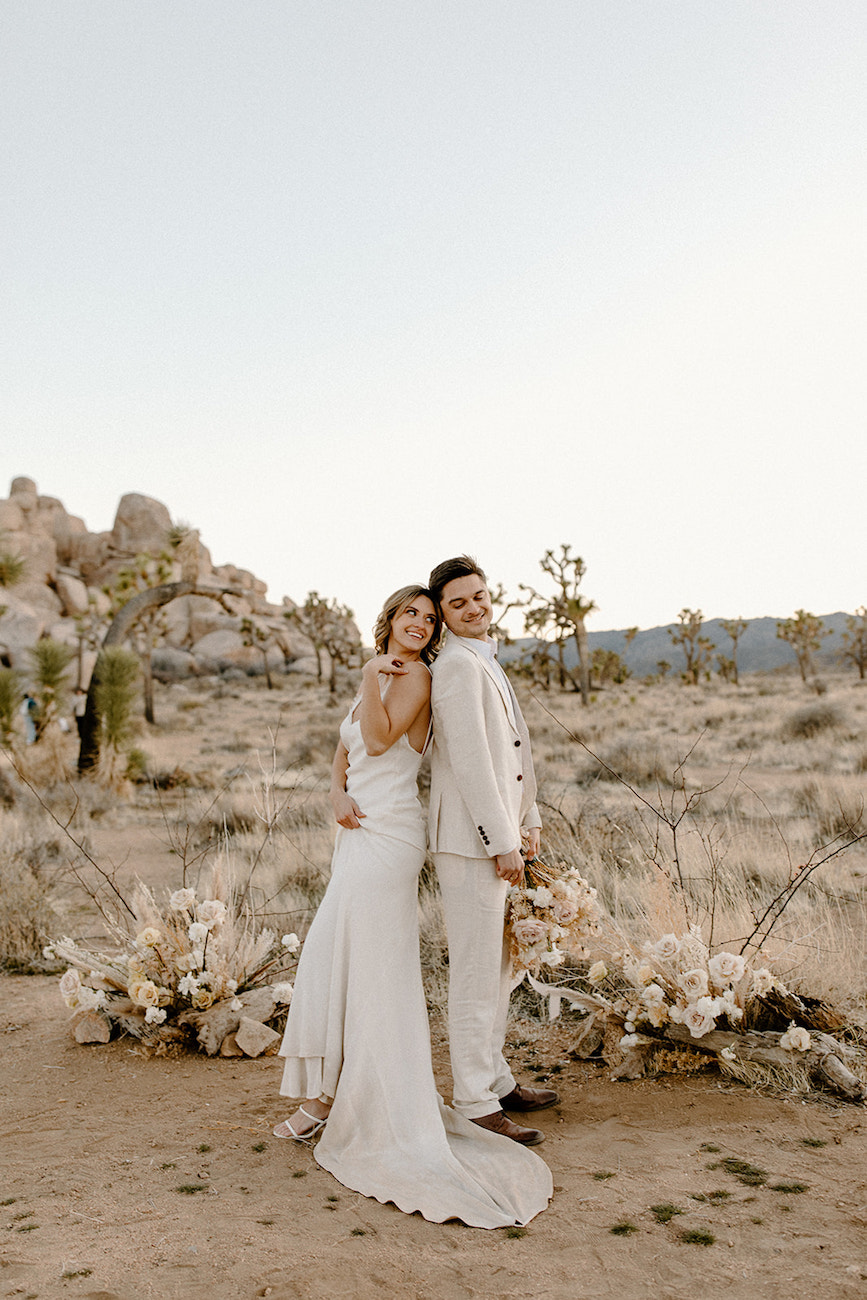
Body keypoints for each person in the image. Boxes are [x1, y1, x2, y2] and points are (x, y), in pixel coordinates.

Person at [274, 585, 552, 1228]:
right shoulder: (388, 673)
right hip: (357, 832)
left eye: (430, 620)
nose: (422, 626)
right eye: (413, 615)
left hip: (391, 833)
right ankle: (326, 1091)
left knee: (371, 967)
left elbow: (375, 738)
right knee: (335, 957)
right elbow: (345, 746)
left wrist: (373, 674)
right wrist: (334, 791)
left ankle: (339, 1099)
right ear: (390, 619)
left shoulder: (419, 676)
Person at [427, 556, 558, 1145]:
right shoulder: (455, 666)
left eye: (479, 596)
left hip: (500, 837)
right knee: (478, 973)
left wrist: (529, 820)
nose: (474, 607)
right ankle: (475, 1100)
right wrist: (502, 841)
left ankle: (496, 1078)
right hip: (471, 844)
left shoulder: (485, 660)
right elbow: (474, 765)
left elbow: (515, 750)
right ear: (443, 615)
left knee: (500, 971)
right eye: (459, 603)